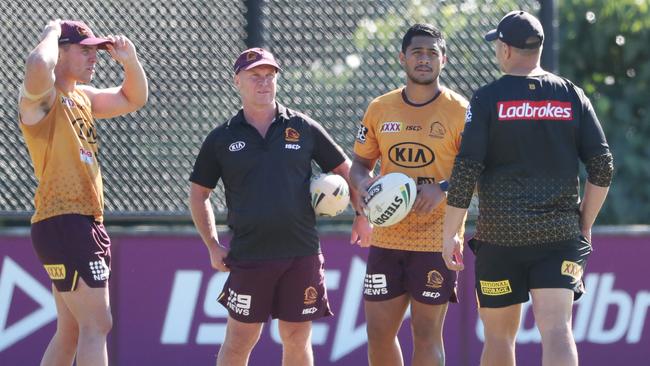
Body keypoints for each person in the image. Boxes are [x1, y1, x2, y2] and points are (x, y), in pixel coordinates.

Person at [441, 10, 614, 366]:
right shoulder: (570, 94)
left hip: (501, 237)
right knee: (557, 330)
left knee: (500, 338)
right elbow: (603, 166)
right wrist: (584, 223)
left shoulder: (488, 98)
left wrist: (449, 233)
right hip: (558, 235)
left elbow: (466, 168)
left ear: (505, 49)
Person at [189, 47, 369, 366]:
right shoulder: (222, 138)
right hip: (249, 255)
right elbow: (199, 194)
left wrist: (361, 215)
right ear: (237, 82)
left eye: (270, 76)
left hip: (300, 253)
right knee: (239, 341)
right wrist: (212, 245)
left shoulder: (301, 127)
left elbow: (345, 171)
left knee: (297, 338)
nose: (264, 83)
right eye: (255, 76)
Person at [17, 19, 147, 366]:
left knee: (72, 330)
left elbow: (133, 98)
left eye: (95, 51)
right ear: (60, 53)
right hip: (65, 220)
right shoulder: (42, 100)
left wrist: (129, 61)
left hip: (78, 223)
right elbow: (36, 65)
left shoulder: (82, 97)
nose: (94, 57)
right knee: (98, 323)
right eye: (84, 50)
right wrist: (50, 31)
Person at [349, 24, 468, 366]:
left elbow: (480, 170)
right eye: (417, 52)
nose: (424, 59)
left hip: (437, 240)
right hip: (387, 237)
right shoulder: (380, 108)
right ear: (402, 58)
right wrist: (365, 184)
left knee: (427, 335)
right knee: (378, 335)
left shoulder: (460, 111)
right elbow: (359, 164)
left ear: (443, 60)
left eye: (432, 53)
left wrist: (443, 188)